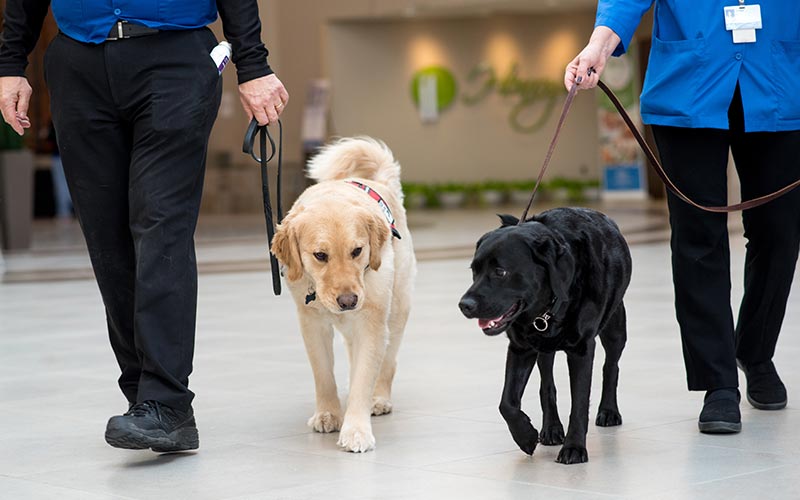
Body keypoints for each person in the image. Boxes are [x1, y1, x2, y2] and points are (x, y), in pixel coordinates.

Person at [0, 1, 289, 452]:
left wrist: (253, 64)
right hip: (78, 63)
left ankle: (167, 402)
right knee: (106, 236)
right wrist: (11, 62)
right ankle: (144, 396)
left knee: (160, 222)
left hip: (175, 59)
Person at [566, 1, 800, 434]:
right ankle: (718, 384)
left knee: (780, 233)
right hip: (689, 81)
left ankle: (755, 349)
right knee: (698, 240)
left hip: (781, 77)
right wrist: (600, 43)